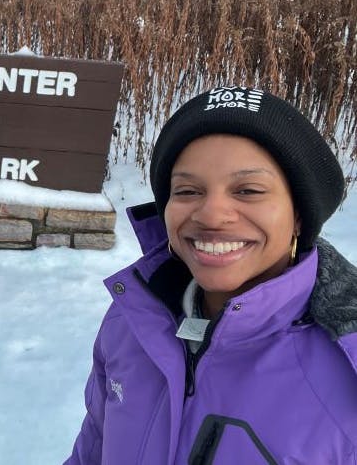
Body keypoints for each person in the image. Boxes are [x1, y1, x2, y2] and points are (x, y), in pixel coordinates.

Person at [64, 86, 356, 464]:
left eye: (248, 190)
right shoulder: (131, 322)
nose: (212, 214)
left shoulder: (346, 370)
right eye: (187, 190)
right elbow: (92, 450)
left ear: (299, 214)